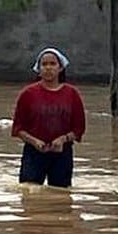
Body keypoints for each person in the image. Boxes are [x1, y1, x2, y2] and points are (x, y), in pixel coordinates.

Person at [11, 47, 86, 188]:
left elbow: (79, 128)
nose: (48, 68)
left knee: (60, 195)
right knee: (29, 193)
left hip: (62, 154)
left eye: (52, 64)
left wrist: (63, 139)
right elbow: (18, 128)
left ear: (60, 68)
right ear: (38, 69)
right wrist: (34, 141)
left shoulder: (72, 94)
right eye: (44, 64)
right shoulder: (28, 94)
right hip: (33, 153)